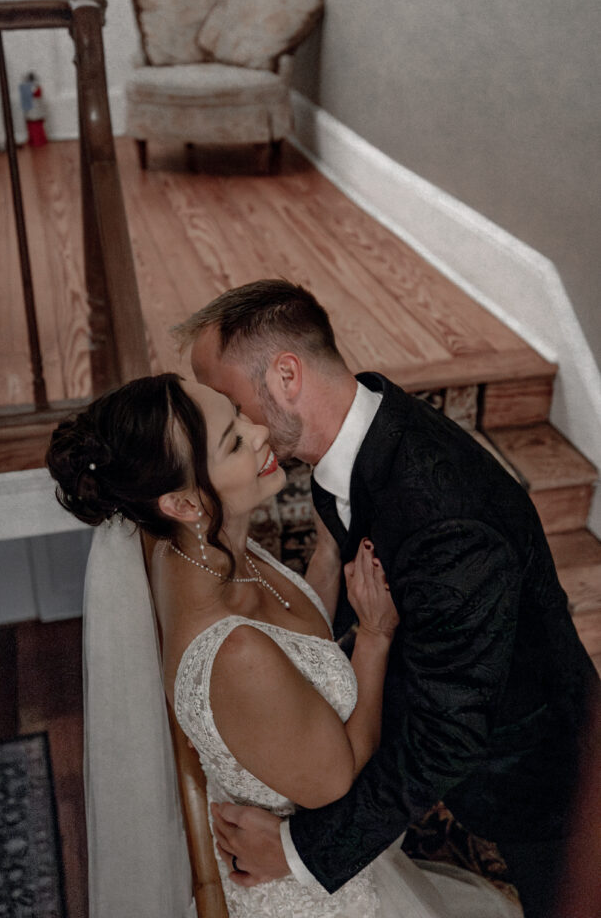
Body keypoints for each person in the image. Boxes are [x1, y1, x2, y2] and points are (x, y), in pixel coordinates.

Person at [174, 278, 600, 918]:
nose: (240, 427)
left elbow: (448, 735)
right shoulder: (354, 432)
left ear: (286, 376)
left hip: (539, 777)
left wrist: (296, 852)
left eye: (233, 401)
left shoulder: (444, 520)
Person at [47, 374, 520, 918]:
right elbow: (335, 781)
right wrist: (374, 636)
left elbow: (296, 641)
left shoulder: (194, 550)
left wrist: (325, 552)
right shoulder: (237, 655)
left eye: (236, 415)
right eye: (232, 441)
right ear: (181, 502)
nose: (258, 432)